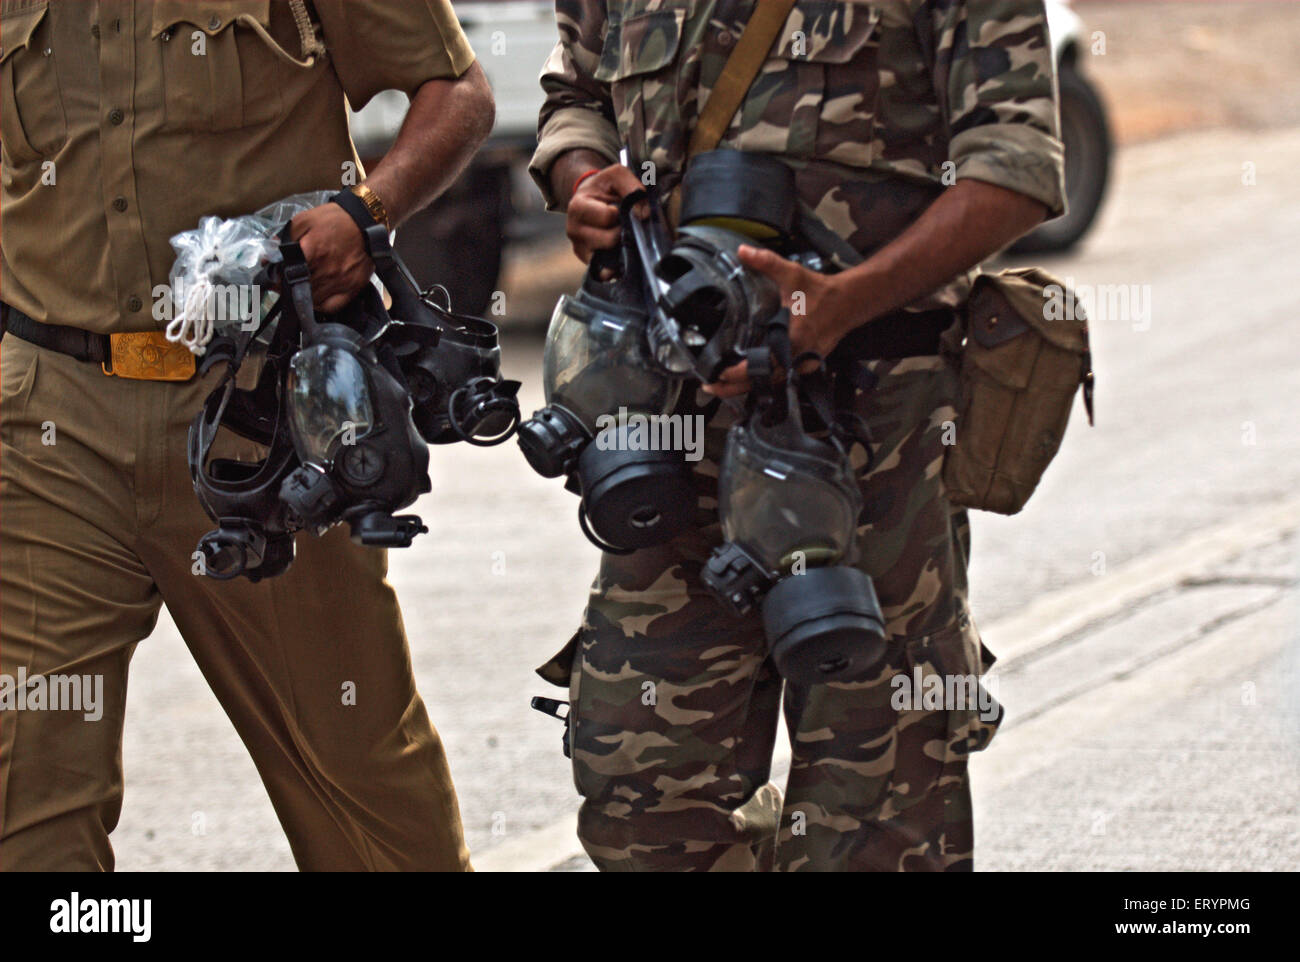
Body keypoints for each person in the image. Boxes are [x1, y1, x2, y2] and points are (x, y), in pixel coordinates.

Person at [529, 0, 1066, 871]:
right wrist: (583, 178)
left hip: (870, 437)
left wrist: (841, 304)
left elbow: (1019, 165)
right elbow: (576, 97)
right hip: (674, 421)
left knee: (879, 810)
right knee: (637, 786)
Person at [0, 0, 492, 871]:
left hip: (258, 417)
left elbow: (458, 91)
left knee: (360, 776)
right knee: (28, 787)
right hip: (52, 420)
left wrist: (368, 208)